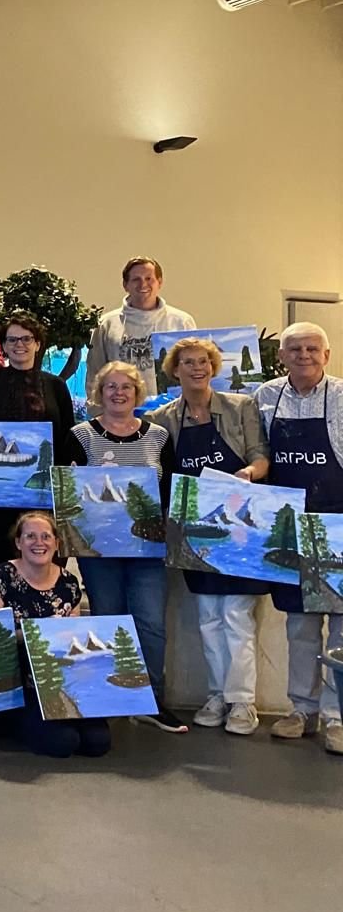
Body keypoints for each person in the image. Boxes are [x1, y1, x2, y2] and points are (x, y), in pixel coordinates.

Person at [145, 336, 270, 736]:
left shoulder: (240, 407)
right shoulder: (164, 418)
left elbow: (260, 456)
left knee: (236, 616)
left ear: (214, 368)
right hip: (195, 528)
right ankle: (217, 694)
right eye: (188, 362)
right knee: (208, 618)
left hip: (241, 525)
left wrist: (250, 473)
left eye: (203, 362)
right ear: (175, 370)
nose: (196, 368)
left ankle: (242, 703)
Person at [70, 360, 184, 733]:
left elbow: (170, 491)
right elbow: (69, 492)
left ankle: (150, 700)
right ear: (99, 393)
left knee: (151, 623)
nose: (118, 394)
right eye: (111, 387)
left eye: (126, 388)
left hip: (149, 549)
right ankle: (109, 697)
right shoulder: (80, 435)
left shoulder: (159, 437)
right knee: (107, 618)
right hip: (98, 551)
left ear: (138, 394)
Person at [255, 323, 343, 754]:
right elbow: (257, 454)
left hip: (337, 529)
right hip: (289, 528)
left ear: (326, 355)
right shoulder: (264, 397)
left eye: (312, 348)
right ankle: (302, 709)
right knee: (300, 628)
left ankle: (337, 716)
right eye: (294, 349)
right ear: (282, 356)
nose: (303, 355)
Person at [0, 312, 80, 574]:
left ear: (37, 343)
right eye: (12, 340)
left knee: (42, 559)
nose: (19, 345)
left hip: (42, 494)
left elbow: (68, 436)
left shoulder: (56, 386)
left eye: (26, 339)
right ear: (4, 345)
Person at [0, 511, 110, 758]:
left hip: (55, 677)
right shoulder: (0, 577)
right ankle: (8, 722)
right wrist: (35, 633)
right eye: (30, 536)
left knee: (97, 742)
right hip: (13, 680)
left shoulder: (69, 583)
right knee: (64, 742)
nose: (39, 543)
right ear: (18, 542)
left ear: (56, 543)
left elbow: (74, 640)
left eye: (46, 536)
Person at [87, 256, 195, 399]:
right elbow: (95, 373)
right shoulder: (106, 324)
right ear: (125, 285)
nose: (143, 284)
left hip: (172, 412)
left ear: (159, 282)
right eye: (136, 279)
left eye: (149, 278)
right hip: (121, 410)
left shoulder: (181, 322)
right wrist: (97, 412)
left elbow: (194, 370)